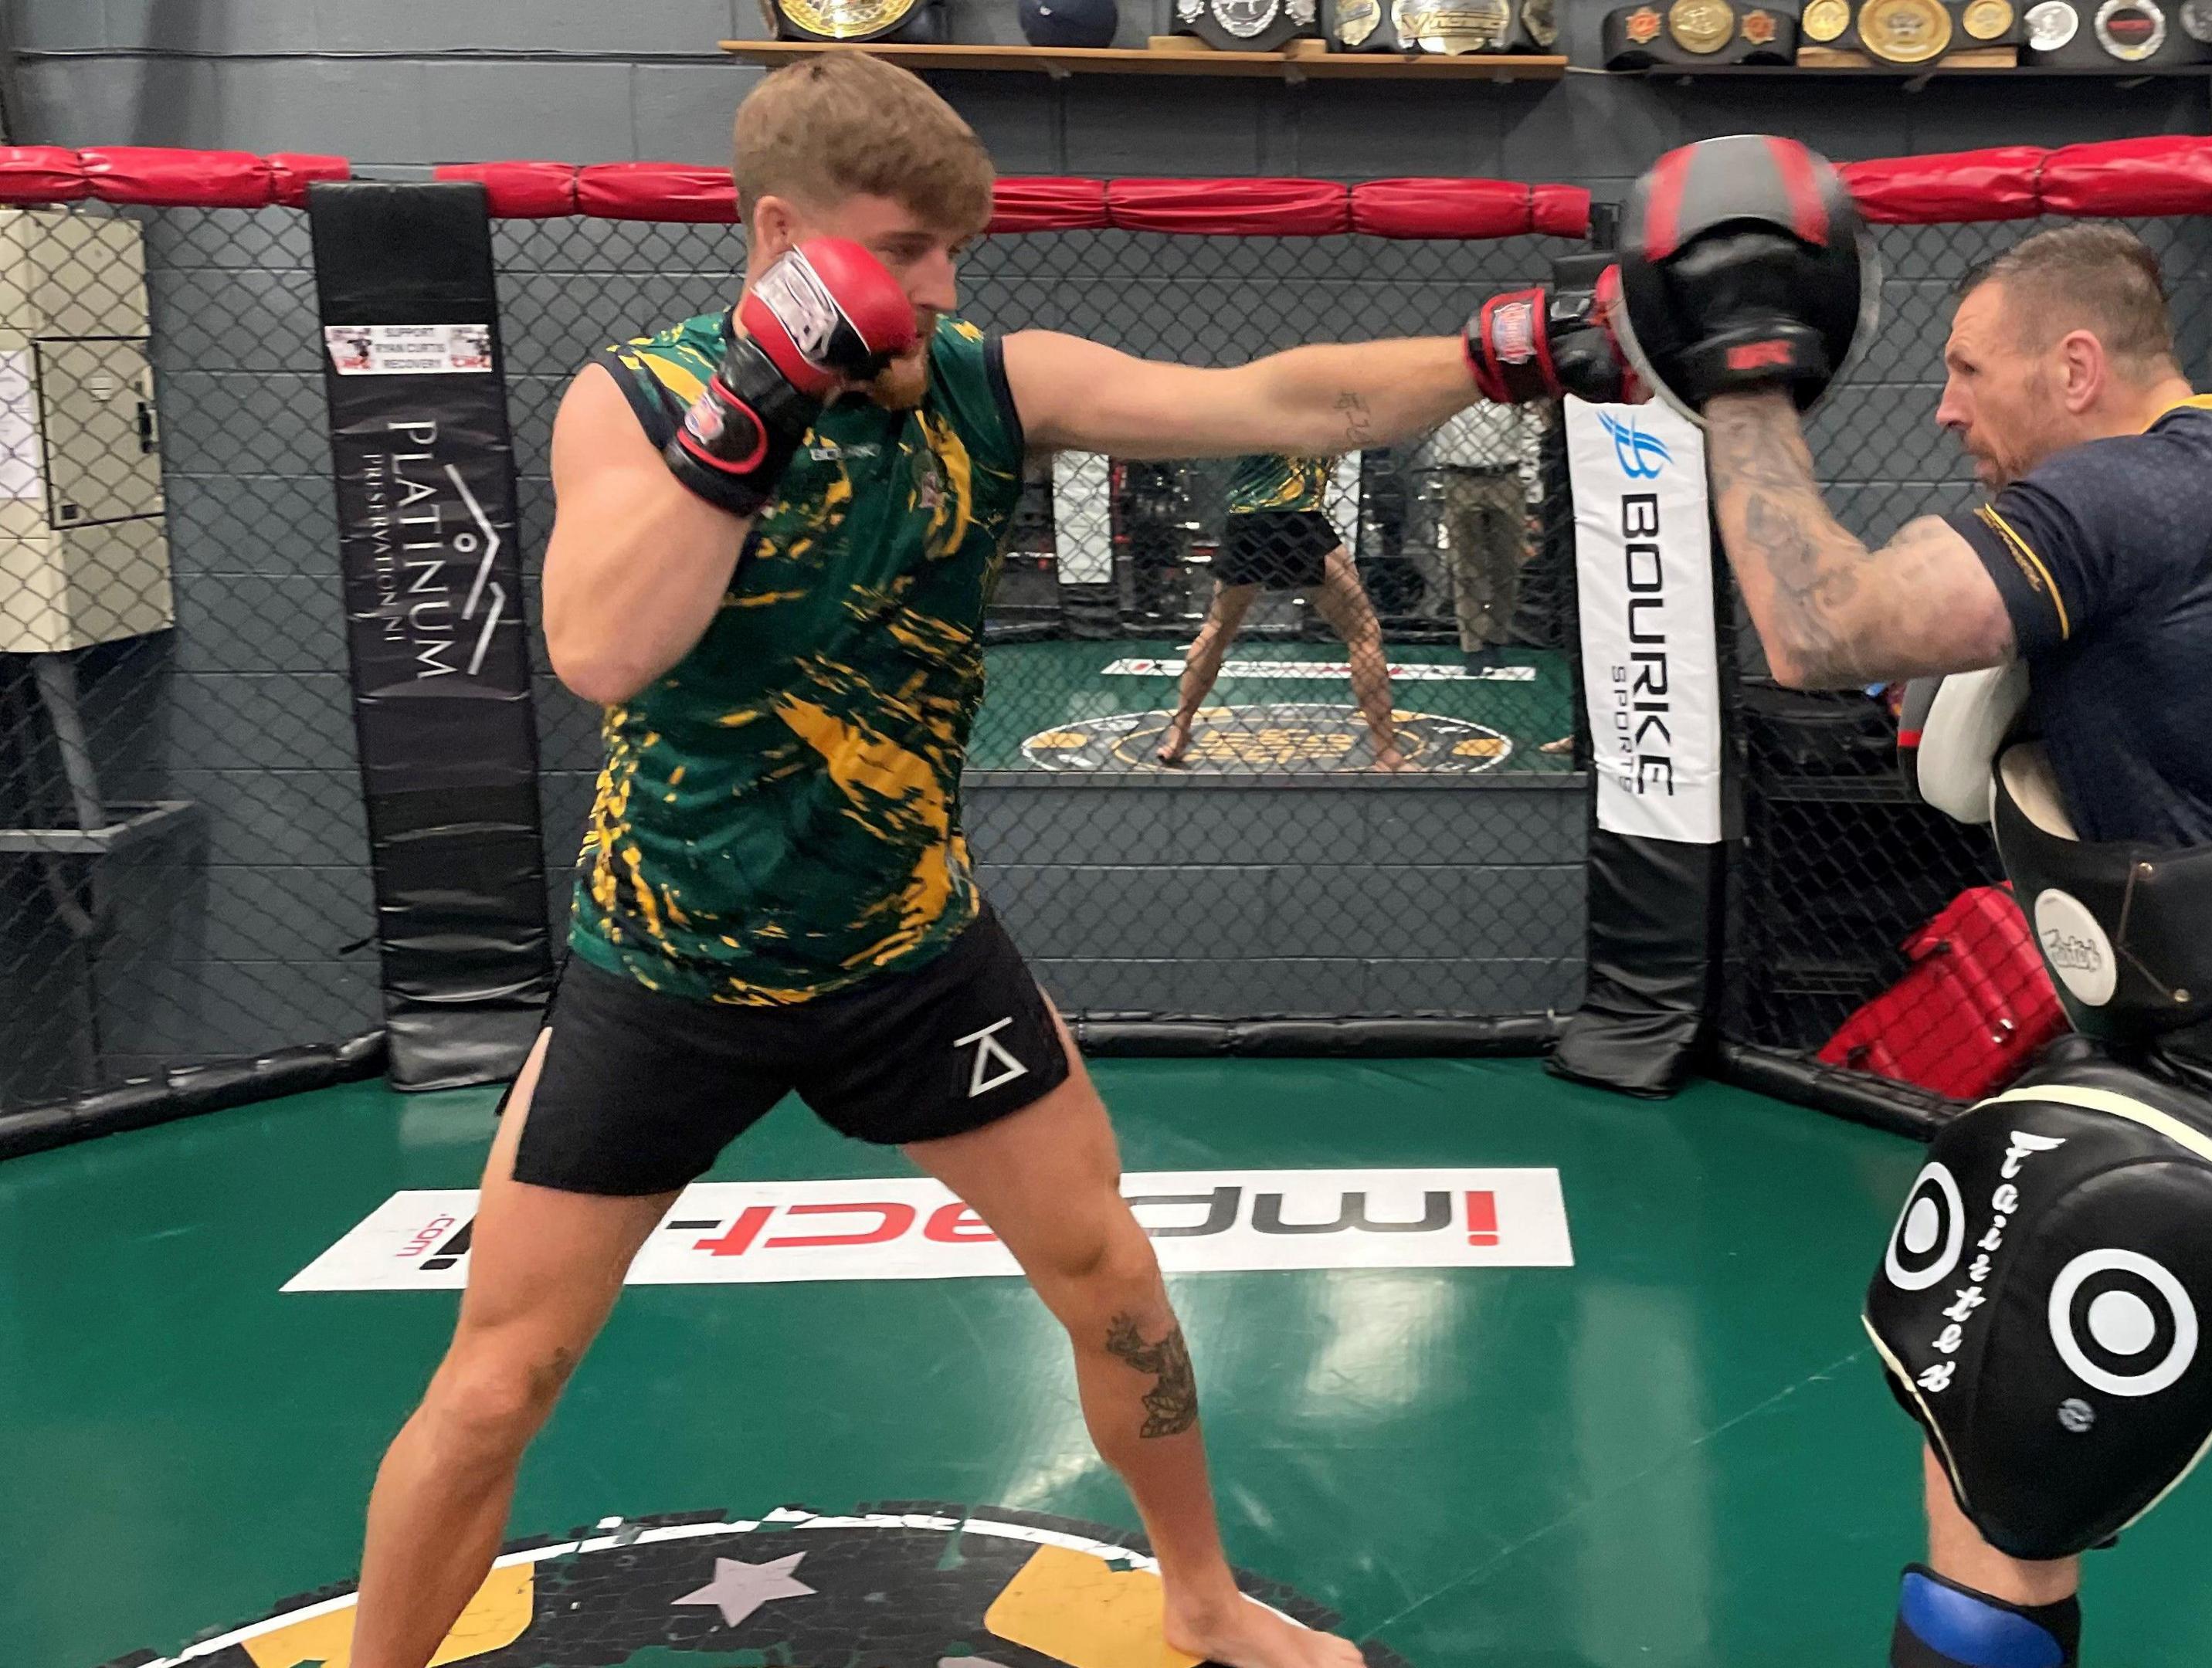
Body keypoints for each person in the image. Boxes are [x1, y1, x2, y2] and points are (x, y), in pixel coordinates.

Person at [344, 52, 1614, 1668]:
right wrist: (757, 398)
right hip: (669, 963)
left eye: (958, 253)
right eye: (906, 251)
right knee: (503, 1374)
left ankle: (1206, 1597)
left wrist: (1509, 354)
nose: (940, 289)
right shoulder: (644, 399)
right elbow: (602, 646)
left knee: (1111, 1273)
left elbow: (1283, 402)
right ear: (784, 233)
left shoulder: (984, 384)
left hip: (911, 954)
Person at [1680, 219, 2212, 1665]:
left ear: (2074, 365)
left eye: (1965, 370)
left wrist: (1743, 391)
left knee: (1991, 1416)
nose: (1943, 405)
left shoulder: (2127, 496)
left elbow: (1821, 626)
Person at [1155, 453, 1404, 769]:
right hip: (1295, 520)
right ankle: (1388, 754)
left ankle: (1179, 731)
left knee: (1217, 629)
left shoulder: (1266, 412)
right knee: (1364, 634)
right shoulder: (1325, 410)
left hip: (1248, 520)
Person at [1423, 398, 1542, 673]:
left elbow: (1531, 426)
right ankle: (1473, 647)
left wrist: (1528, 478)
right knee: (1466, 567)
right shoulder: (1447, 384)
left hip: (1507, 476)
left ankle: (1496, 640)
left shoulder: (1509, 377)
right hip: (1459, 477)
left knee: (1508, 565)